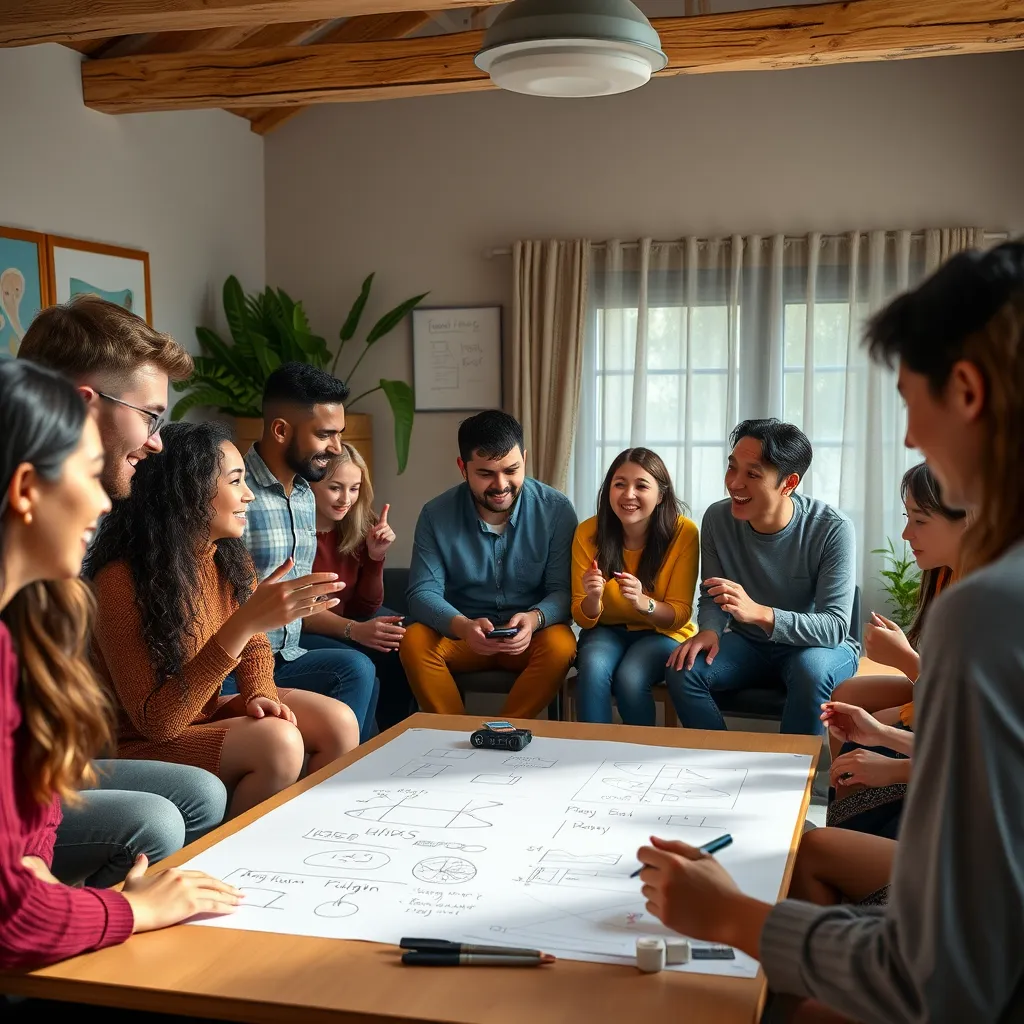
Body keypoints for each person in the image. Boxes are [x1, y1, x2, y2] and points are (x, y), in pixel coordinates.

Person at [636, 240, 1024, 1023]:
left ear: (969, 391)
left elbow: (941, 975)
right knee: (691, 669)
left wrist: (730, 917)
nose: (910, 438)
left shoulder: (984, 613)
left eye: (911, 401)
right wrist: (720, 624)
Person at [0, 359, 241, 970]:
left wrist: (32, 863)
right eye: (87, 473)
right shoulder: (112, 585)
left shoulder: (27, 622)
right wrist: (134, 911)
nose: (104, 503)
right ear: (27, 490)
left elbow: (36, 800)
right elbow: (9, 912)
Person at [16, 296, 227, 887]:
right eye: (151, 416)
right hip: (26, 777)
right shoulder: (46, 530)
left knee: (199, 792)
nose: (159, 442)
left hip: (40, 762)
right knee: (153, 820)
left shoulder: (89, 513)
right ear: (85, 404)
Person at [87, 422, 359, 818]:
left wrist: (259, 692)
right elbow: (158, 722)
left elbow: (255, 646)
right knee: (278, 742)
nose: (248, 494)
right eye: (236, 481)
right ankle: (229, 862)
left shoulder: (228, 558)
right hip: (134, 740)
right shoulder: (119, 581)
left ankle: (303, 841)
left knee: (338, 722)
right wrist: (243, 624)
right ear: (188, 493)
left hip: (198, 714)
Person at [665, 419, 859, 736]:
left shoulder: (832, 528)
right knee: (683, 669)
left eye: (752, 474)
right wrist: (710, 631)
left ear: (789, 483)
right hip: (750, 644)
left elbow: (835, 627)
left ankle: (791, 779)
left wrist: (760, 613)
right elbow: (713, 595)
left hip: (815, 647)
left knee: (811, 672)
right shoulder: (717, 518)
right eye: (732, 468)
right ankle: (721, 771)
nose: (735, 483)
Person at [400, 411, 578, 717]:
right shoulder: (435, 514)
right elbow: (421, 593)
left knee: (562, 645)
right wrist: (463, 626)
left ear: (525, 458)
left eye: (512, 470)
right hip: (463, 636)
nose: (501, 485)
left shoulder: (557, 510)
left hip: (529, 638)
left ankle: (500, 734)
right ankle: (453, 736)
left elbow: (563, 591)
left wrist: (534, 619)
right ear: (463, 468)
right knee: (414, 640)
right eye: (486, 474)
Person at [237, 362, 379, 742]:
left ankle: (343, 775)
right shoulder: (234, 491)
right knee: (357, 668)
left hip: (291, 651)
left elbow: (306, 597)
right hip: (239, 662)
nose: (335, 448)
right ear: (280, 430)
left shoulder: (305, 494)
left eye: (339, 435)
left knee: (358, 667)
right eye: (325, 435)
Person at [825, 462, 966, 839]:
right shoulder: (945, 572)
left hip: (952, 716)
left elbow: (963, 705)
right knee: (847, 696)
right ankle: (848, 815)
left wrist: (905, 659)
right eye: (908, 517)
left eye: (920, 521)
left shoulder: (987, 598)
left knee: (860, 736)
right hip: (943, 699)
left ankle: (854, 828)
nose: (906, 534)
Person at [571, 448, 698, 725]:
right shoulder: (587, 533)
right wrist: (593, 598)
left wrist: (643, 602)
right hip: (608, 631)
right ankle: (590, 753)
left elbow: (679, 615)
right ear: (608, 491)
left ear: (661, 494)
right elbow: (583, 617)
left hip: (662, 633)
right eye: (619, 485)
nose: (628, 495)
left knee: (631, 677)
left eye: (641, 485)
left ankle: (638, 761)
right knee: (592, 668)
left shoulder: (683, 533)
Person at [310, 443, 416, 731]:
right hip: (306, 632)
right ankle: (362, 746)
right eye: (335, 488)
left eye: (354, 488)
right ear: (312, 484)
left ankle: (398, 734)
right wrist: (356, 631)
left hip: (348, 622)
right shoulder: (296, 532)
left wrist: (375, 557)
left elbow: (364, 607)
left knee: (406, 638)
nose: (346, 499)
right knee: (362, 661)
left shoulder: (357, 525)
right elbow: (302, 616)